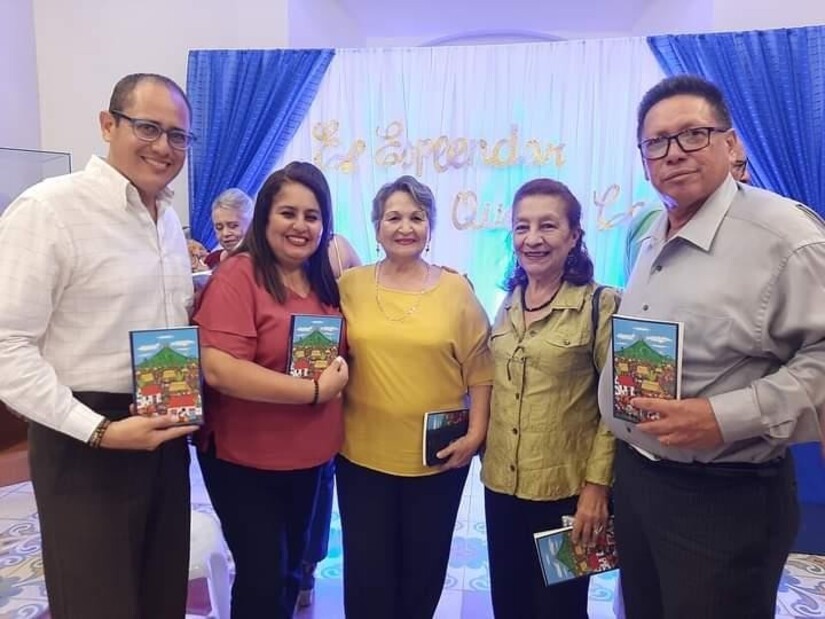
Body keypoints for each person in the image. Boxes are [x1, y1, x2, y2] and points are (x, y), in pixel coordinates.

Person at [599, 74, 825, 619]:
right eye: (657, 142)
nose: (674, 153)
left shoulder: (784, 236)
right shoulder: (652, 232)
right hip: (641, 480)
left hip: (723, 497)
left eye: (692, 134)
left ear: (731, 142)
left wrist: (724, 417)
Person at [0, 73, 199, 618]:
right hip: (83, 437)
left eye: (178, 135)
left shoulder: (167, 220)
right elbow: (7, 345)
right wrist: (98, 430)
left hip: (162, 429)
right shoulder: (49, 210)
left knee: (161, 595)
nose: (163, 146)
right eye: (148, 128)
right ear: (108, 125)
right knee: (96, 601)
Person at [192, 161, 349, 619]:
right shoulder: (238, 275)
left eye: (312, 216)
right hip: (246, 459)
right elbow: (220, 369)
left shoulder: (323, 280)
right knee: (263, 578)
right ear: (264, 217)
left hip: (309, 455)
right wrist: (313, 392)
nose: (300, 225)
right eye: (288, 213)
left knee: (290, 573)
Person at [336, 175, 493, 618]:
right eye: (394, 218)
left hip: (437, 459)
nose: (405, 227)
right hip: (361, 457)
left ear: (430, 226)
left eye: (417, 218)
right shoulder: (350, 285)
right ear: (376, 226)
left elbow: (481, 369)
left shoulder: (455, 290)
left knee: (422, 572)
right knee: (367, 573)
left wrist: (476, 434)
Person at [481, 178, 620, 619]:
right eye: (522, 227)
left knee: (560, 608)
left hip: (566, 494)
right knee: (510, 604)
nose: (533, 238)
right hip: (502, 487)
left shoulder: (600, 304)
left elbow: (615, 407)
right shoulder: (509, 301)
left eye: (547, 225)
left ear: (574, 235)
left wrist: (597, 488)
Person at [297, 228, 362, 608]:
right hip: (277, 411)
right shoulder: (256, 266)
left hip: (331, 404)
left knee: (320, 489)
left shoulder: (338, 250)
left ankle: (307, 570)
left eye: (310, 214)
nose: (300, 226)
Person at [205, 187, 254, 268]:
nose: (225, 233)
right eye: (219, 228)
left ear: (251, 225)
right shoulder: (211, 261)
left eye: (233, 226)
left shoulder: (264, 262)